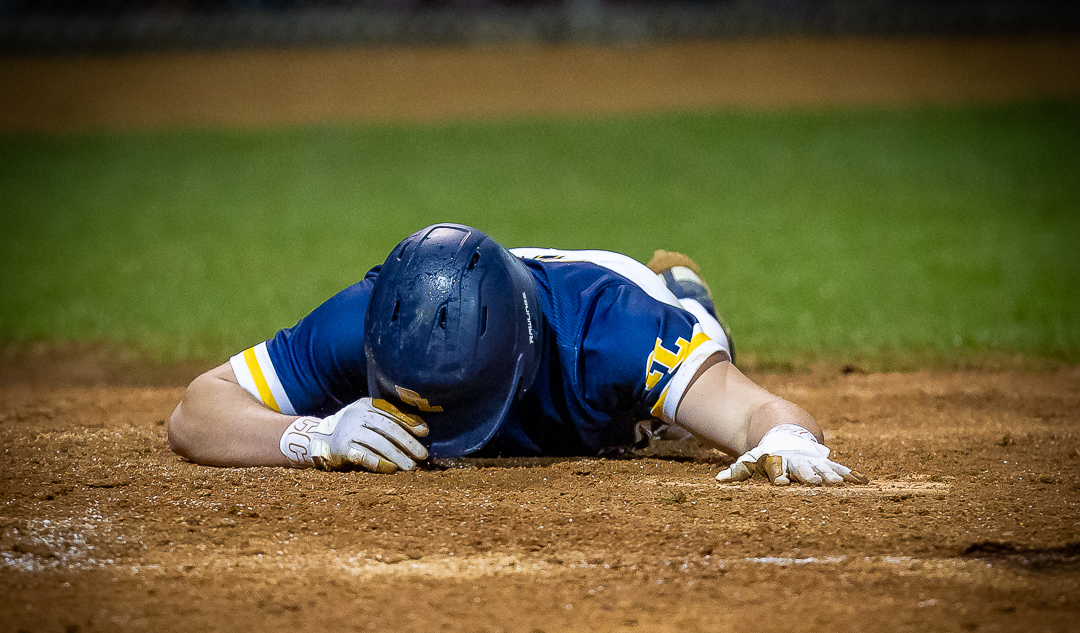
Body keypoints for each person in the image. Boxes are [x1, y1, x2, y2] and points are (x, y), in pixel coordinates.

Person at [168, 223, 866, 486]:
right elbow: (196, 411)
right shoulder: (374, 315)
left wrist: (786, 437)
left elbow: (757, 416)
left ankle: (688, 293)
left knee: (675, 415)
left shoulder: (615, 332)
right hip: (512, 287)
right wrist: (309, 436)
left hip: (618, 290)